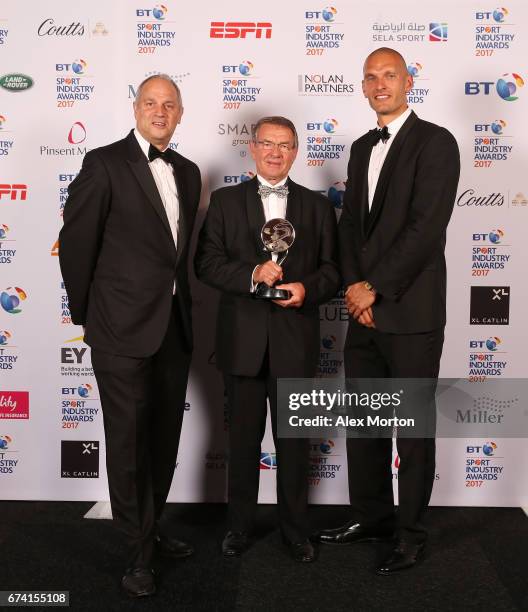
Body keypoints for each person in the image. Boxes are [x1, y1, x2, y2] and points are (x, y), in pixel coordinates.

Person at [317, 48, 460, 574]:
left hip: (411, 311)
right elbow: (351, 224)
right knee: (368, 425)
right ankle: (372, 515)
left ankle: (411, 532)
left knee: (413, 430)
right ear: (362, 85)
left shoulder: (437, 142)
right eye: (371, 76)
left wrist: (375, 288)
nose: (380, 84)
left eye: (389, 75)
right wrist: (356, 289)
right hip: (364, 309)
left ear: (408, 81)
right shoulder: (360, 148)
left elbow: (425, 229)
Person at [59, 74, 201, 597]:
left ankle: (152, 527)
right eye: (150, 103)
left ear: (181, 113)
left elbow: (174, 254)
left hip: (173, 327)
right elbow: (75, 245)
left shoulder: (187, 172)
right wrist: (88, 317)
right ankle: (137, 553)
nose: (159, 111)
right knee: (127, 442)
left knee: (163, 439)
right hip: (118, 328)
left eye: (169, 104)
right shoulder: (103, 163)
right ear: (136, 108)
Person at [195, 116, 340, 563]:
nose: (275, 153)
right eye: (267, 144)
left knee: (294, 443)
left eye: (285, 145)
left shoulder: (317, 208)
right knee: (242, 442)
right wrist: (251, 274)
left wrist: (306, 289)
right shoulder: (223, 201)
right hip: (243, 342)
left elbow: (334, 270)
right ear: (252, 149)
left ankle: (295, 530)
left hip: (294, 341)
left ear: (296, 151)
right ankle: (239, 526)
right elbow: (205, 263)